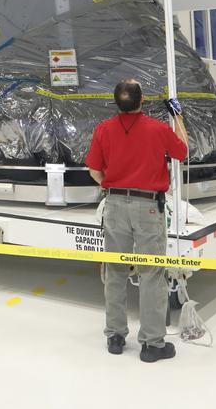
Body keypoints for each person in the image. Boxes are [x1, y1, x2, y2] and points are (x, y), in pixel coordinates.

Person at [85, 78, 188, 363]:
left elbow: (94, 170)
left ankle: (115, 335)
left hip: (115, 205)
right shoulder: (158, 129)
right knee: (152, 273)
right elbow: (183, 151)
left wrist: (111, 186)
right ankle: (152, 344)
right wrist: (177, 115)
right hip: (148, 208)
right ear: (142, 101)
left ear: (116, 102)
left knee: (115, 271)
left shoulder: (103, 130)